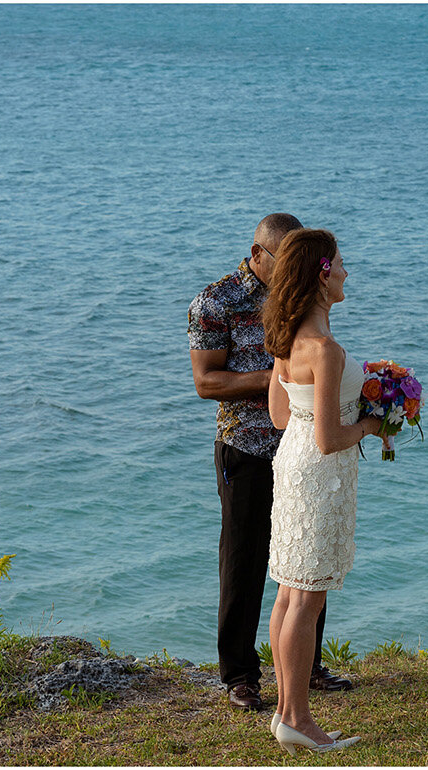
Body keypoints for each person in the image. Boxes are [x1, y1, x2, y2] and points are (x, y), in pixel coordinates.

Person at [186, 213, 352, 711]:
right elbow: (205, 382)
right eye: (285, 259)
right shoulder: (214, 302)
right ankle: (239, 675)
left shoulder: (301, 296)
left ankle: (307, 667)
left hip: (297, 445)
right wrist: (281, 378)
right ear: (258, 253)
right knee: (244, 562)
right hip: (247, 446)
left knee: (304, 563)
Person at [260, 227, 386, 754]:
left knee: (290, 591)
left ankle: (287, 712)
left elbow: (279, 413)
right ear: (322, 273)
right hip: (319, 469)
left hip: (291, 460)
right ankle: (298, 719)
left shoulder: (288, 339)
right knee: (307, 598)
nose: (346, 272)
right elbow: (331, 437)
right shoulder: (326, 348)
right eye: (340, 263)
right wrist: (370, 426)